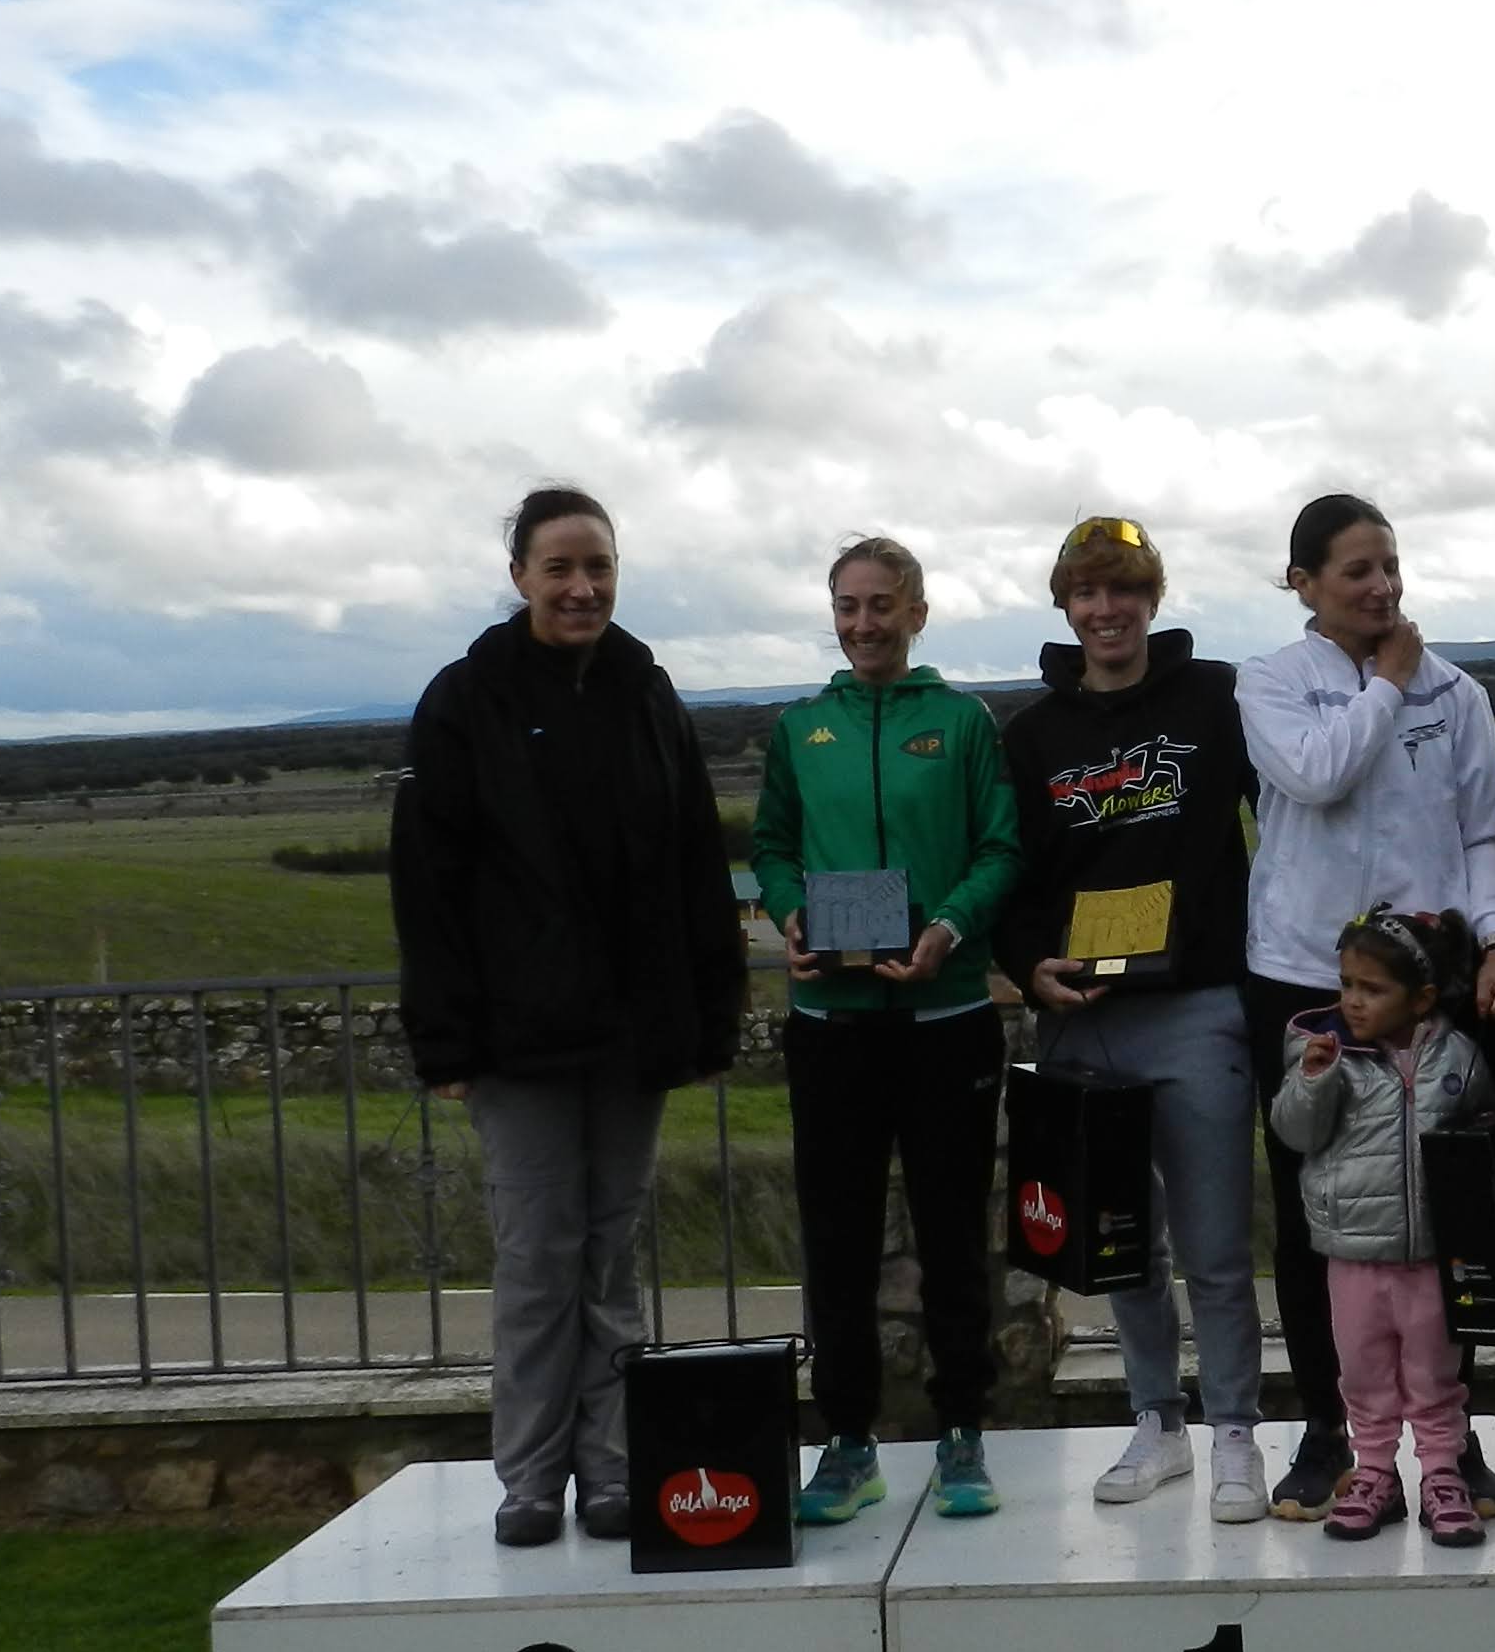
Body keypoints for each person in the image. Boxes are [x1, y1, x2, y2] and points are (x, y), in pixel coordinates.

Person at [394, 489, 749, 1549]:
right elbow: (429, 880)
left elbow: (694, 858)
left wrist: (710, 1014)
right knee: (538, 1258)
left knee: (609, 1256)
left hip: (633, 1036)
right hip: (519, 1042)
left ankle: (610, 1468)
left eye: (596, 565)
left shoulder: (648, 693)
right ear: (519, 579)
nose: (581, 586)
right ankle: (528, 1478)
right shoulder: (465, 699)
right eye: (558, 568)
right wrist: (444, 1040)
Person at [1240, 494, 1495, 1525]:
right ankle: (1333, 1434)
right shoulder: (1271, 682)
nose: (1381, 588)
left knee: (1449, 1211)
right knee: (1320, 1219)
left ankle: (1451, 1443)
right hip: (1305, 976)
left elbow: (1480, 837)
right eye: (1356, 571)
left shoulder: (1458, 693)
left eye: (1390, 567)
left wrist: (1494, 940)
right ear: (1303, 584)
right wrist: (1386, 685)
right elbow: (1315, 777)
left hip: (1430, 985)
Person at [994, 517, 1272, 1520]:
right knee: (1119, 1244)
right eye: (1086, 592)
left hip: (1198, 1005)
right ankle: (1157, 1422)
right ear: (1064, 605)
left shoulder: (1218, 699)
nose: (1105, 610)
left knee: (1213, 1246)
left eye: (1123, 589)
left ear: (1153, 597)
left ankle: (1235, 1427)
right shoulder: (1030, 737)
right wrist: (1030, 967)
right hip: (1084, 1019)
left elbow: (1285, 819)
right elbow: (1012, 877)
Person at [752, 536, 1023, 1527]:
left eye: (881, 605)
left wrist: (948, 927)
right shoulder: (801, 728)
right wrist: (787, 914)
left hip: (945, 1016)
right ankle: (848, 1444)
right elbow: (772, 848)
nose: (862, 623)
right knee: (837, 1243)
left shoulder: (960, 724)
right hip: (833, 1027)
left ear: (916, 611)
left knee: (954, 1238)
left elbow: (1001, 849)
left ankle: (962, 1435)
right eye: (846, 605)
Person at [1264, 915, 1495, 1542]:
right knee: (1362, 1371)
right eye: (1346, 984)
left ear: (1420, 999)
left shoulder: (1459, 1056)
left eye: (1372, 989)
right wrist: (1312, 1080)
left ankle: (1443, 1473)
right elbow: (1294, 1134)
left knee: (1433, 1372)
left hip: (1432, 1258)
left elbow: (1482, 1137)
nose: (1353, 1001)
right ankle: (1372, 1473)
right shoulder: (1325, 1050)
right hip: (1352, 1254)